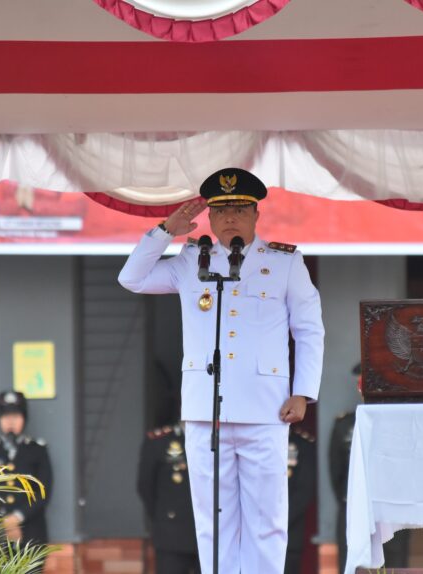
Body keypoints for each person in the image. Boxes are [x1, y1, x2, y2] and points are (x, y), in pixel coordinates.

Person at [118, 167, 325, 574]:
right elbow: (131, 278)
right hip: (204, 411)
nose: (230, 217)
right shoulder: (191, 260)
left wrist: (303, 392)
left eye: (240, 209)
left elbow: (309, 329)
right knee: (213, 521)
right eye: (222, 210)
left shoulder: (284, 262)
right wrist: (166, 230)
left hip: (266, 409)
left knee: (266, 520)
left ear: (256, 214)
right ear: (209, 217)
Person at [329, 365, 409, 571]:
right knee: (353, 565)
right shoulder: (345, 424)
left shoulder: (400, 424)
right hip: (354, 507)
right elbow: (336, 473)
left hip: (393, 507)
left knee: (395, 565)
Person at [0, 390, 54, 546]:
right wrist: (2, 522)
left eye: (16, 416)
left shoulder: (37, 450)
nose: (10, 421)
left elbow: (43, 492)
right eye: (6, 416)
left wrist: (17, 517)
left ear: (24, 418)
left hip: (30, 532)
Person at [137, 422, 200, 574]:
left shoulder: (217, 438)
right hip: (171, 535)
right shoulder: (160, 441)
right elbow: (145, 485)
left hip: (210, 533)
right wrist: (161, 517)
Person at [285, 427, 317, 574]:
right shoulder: (254, 443)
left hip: (290, 533)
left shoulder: (302, 444)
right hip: (255, 531)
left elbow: (305, 490)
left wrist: (278, 520)